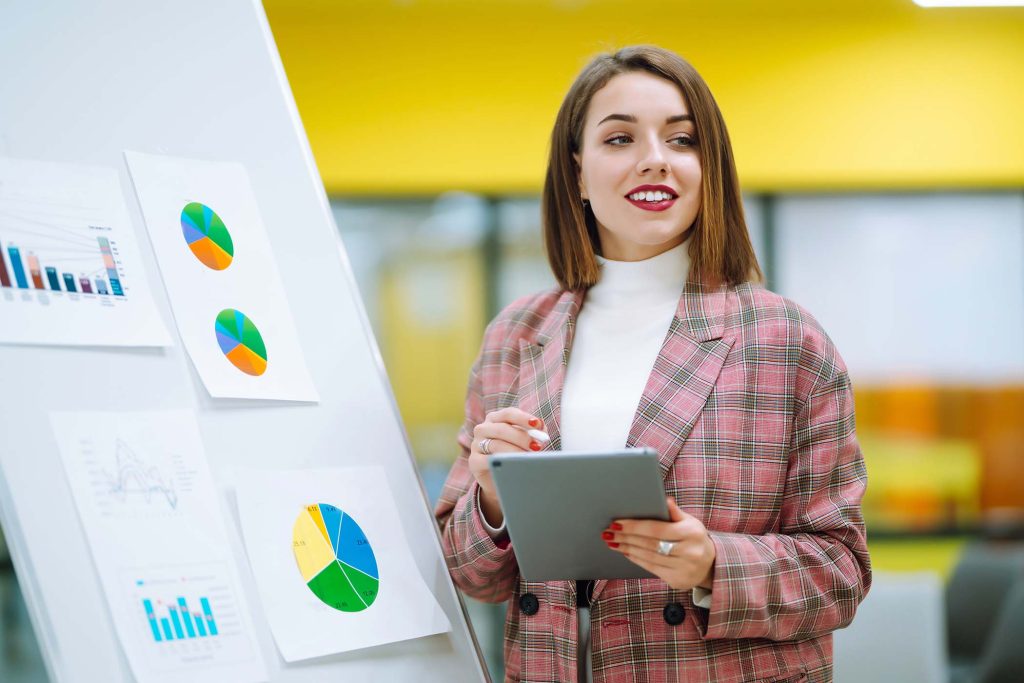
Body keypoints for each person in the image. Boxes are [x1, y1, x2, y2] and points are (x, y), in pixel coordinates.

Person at [435, 44, 871, 683]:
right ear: (577, 173)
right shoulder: (516, 334)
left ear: (708, 166)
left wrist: (712, 564)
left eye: (682, 139)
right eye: (619, 139)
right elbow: (468, 573)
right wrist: (494, 501)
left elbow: (841, 573)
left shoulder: (787, 339)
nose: (655, 160)